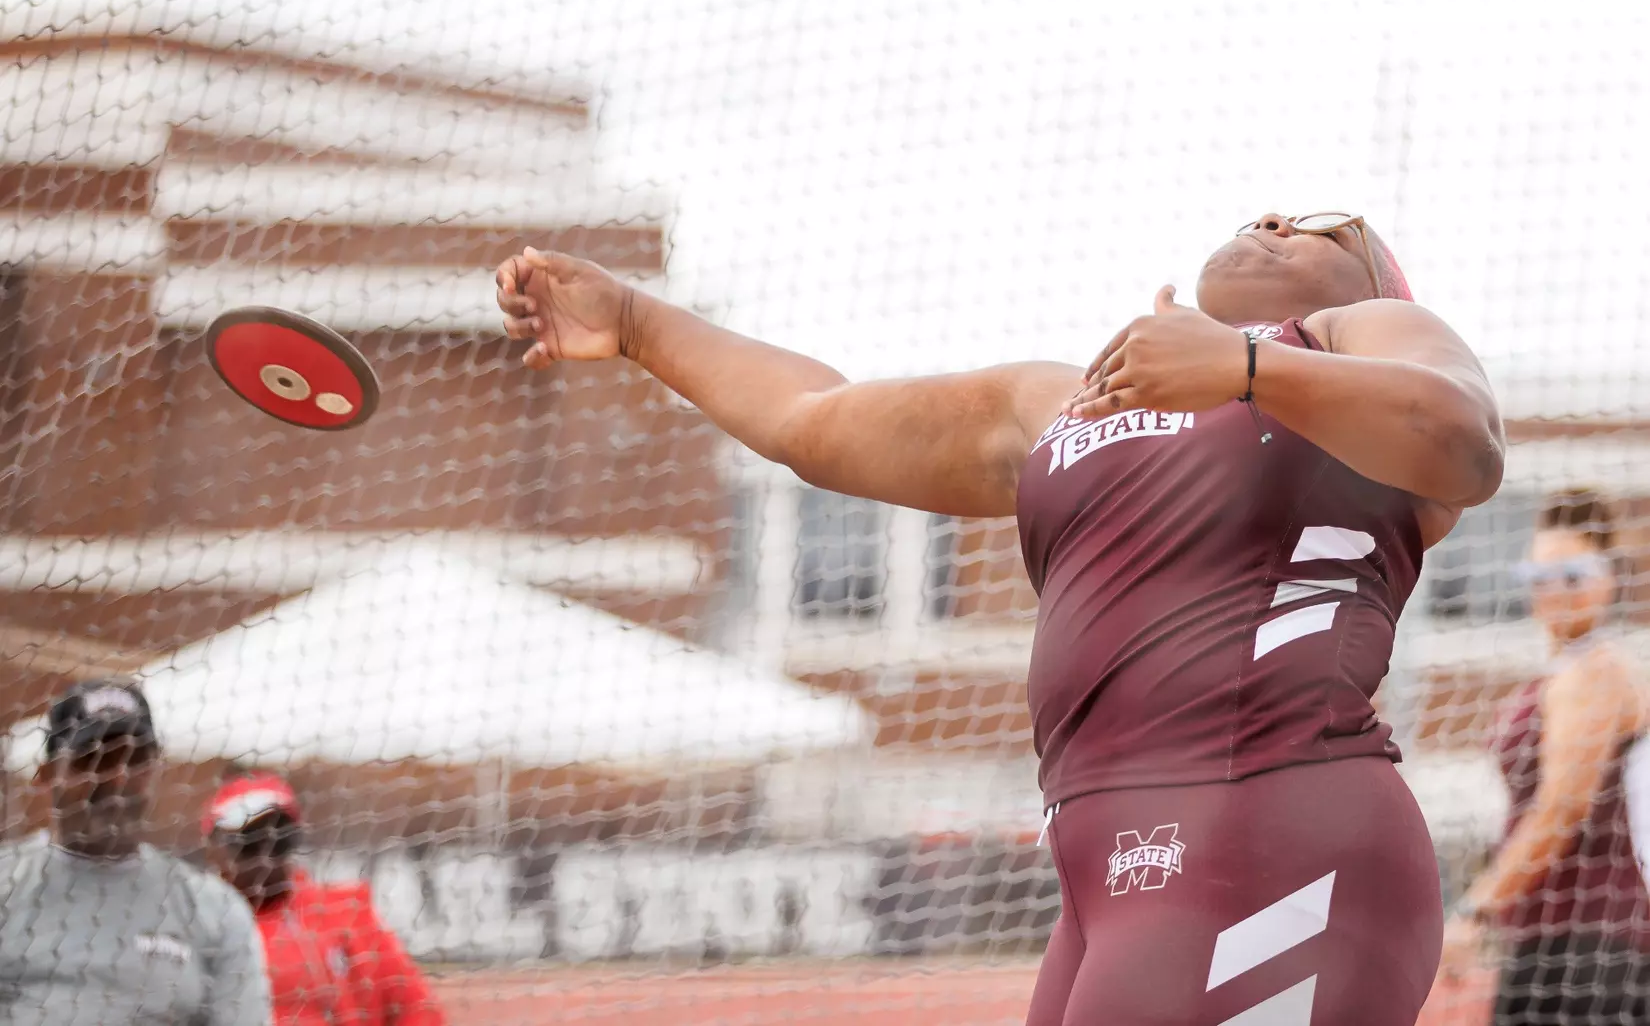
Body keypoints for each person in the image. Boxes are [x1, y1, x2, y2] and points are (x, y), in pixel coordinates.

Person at [494, 210, 1505, 1025]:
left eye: (1329, 229)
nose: (1278, 220)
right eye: (1263, 212)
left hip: (1281, 833)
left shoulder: (1361, 340)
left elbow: (1467, 439)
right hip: (1106, 871)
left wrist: (1245, 369)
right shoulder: (1061, 402)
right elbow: (816, 420)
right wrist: (634, 322)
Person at [1439, 489, 1650, 1023]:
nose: (1553, 591)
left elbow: (1560, 810)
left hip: (1594, 950)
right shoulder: (1559, 673)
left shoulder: (1595, 672)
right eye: (1538, 576)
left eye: (1573, 574)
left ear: (1609, 577)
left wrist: (1475, 911)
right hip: (1553, 940)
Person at [0, 679, 270, 1025]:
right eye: (94, 760)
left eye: (135, 760)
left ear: (157, 770)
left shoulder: (212, 910)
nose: (117, 779)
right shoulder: (8, 886)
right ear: (46, 774)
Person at [202, 770, 446, 1026]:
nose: (266, 854)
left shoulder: (347, 913)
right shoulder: (200, 932)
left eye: (280, 840)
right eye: (249, 841)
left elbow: (417, 1008)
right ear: (214, 850)